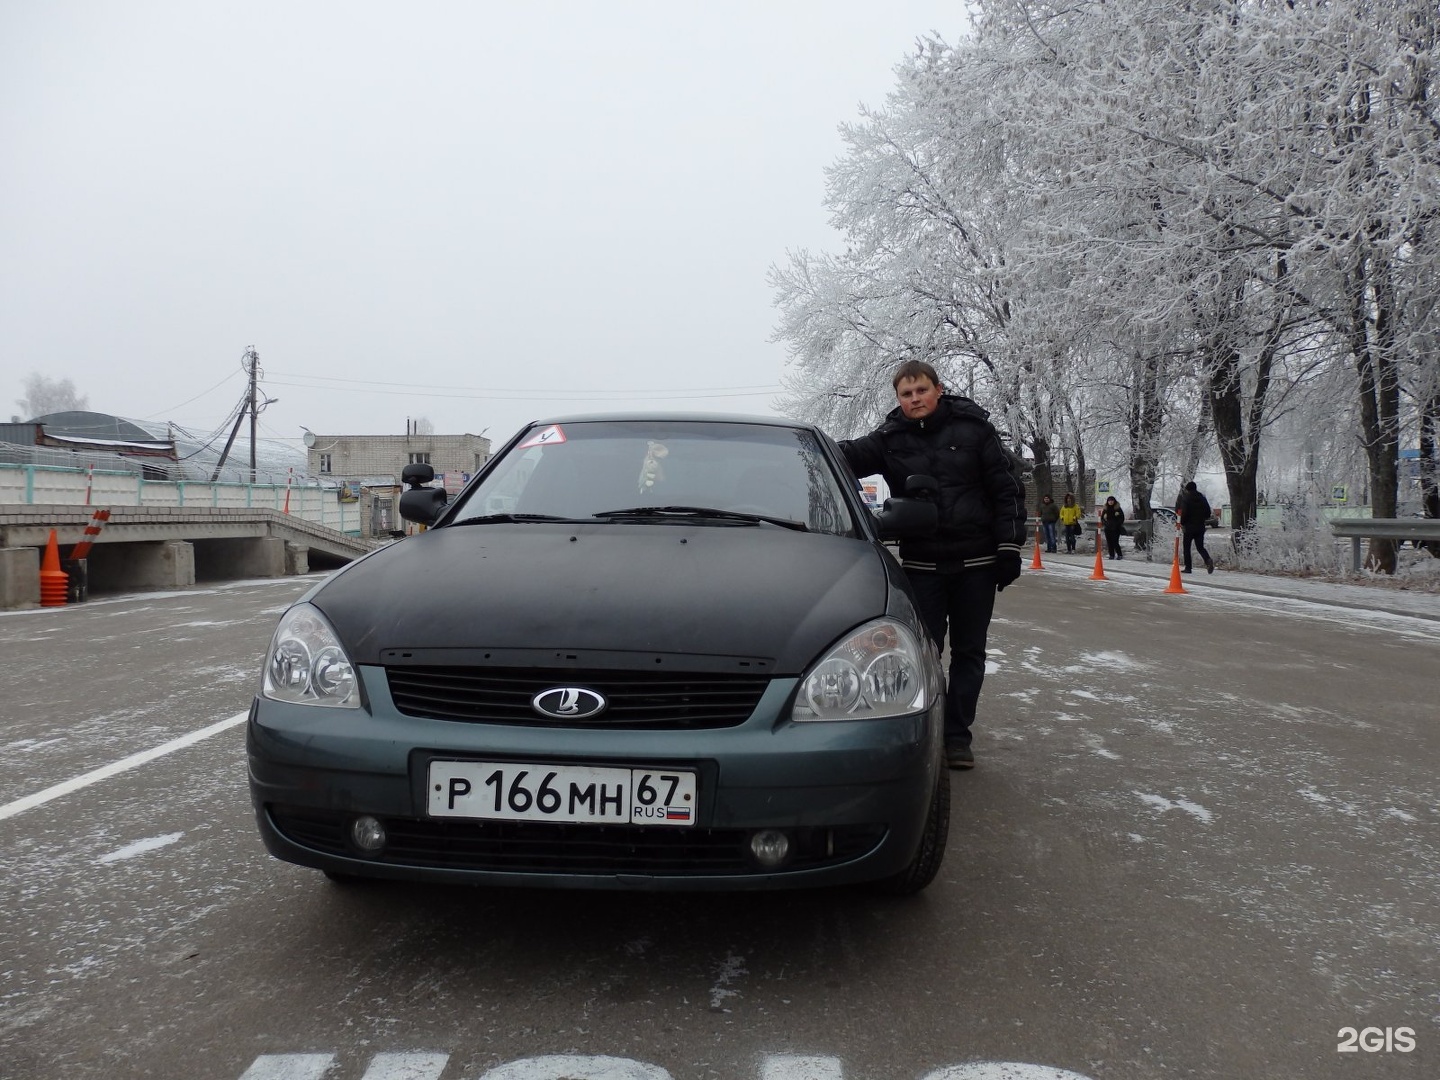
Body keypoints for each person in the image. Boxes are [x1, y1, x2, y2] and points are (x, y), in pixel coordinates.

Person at [838, 359, 1027, 770]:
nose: (914, 399)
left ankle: (957, 738)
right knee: (924, 653)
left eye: (921, 390)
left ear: (938, 390)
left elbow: (1006, 489)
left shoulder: (976, 431)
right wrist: (807, 448)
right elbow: (843, 458)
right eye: (906, 394)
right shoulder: (890, 438)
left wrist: (1010, 546)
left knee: (969, 653)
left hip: (977, 562)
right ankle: (927, 731)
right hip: (922, 565)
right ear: (899, 400)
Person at [1176, 480, 1215, 574]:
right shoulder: (1202, 498)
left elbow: (1184, 513)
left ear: (1188, 489)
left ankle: (1188, 568)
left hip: (1189, 527)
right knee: (1200, 547)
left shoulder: (1186, 498)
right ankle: (1207, 560)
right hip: (1200, 526)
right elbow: (1208, 513)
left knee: (1187, 547)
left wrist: (1182, 522)